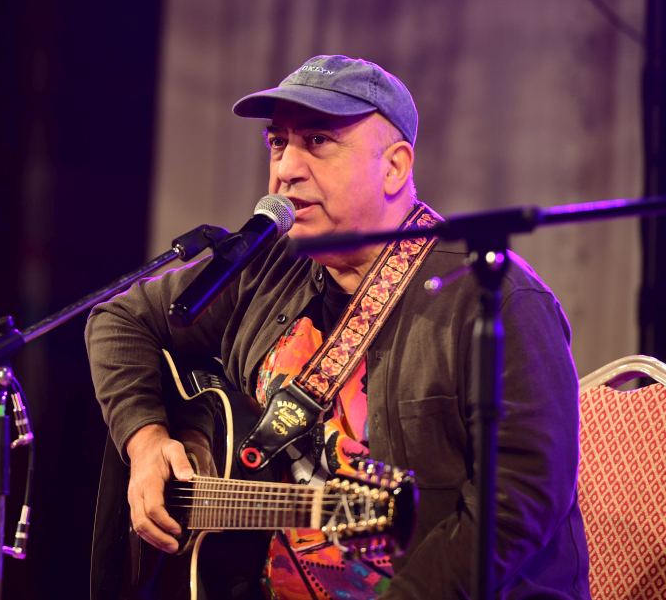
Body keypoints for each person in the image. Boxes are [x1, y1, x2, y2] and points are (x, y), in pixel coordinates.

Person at [86, 55, 590, 599]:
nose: (286, 168)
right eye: (278, 142)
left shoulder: (496, 298)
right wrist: (146, 441)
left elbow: (518, 504)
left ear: (394, 167)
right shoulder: (267, 266)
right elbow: (119, 320)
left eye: (318, 141)